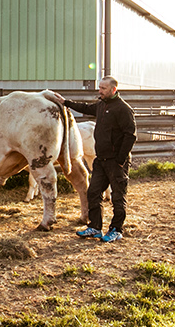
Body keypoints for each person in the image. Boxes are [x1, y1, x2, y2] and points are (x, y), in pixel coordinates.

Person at [48, 77, 135, 242]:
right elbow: (86, 108)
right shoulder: (102, 105)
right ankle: (95, 227)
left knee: (117, 196)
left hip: (116, 161)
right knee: (93, 192)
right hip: (100, 159)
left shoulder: (123, 109)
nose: (100, 91)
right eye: (100, 87)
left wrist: (120, 159)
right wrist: (66, 102)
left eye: (103, 88)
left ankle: (116, 229)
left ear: (113, 90)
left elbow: (130, 135)